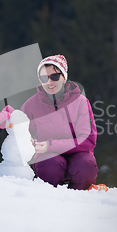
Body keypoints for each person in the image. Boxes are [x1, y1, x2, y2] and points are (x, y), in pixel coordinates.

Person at [21, 54, 104, 190]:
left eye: (54, 76)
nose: (49, 82)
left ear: (64, 77)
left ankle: (79, 196)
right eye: (44, 78)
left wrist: (51, 145)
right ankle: (51, 198)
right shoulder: (31, 105)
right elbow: (20, 132)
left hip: (78, 153)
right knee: (50, 165)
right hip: (48, 156)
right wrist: (28, 140)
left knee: (85, 166)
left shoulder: (81, 102)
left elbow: (88, 140)